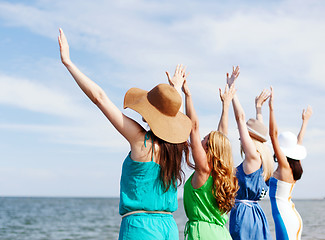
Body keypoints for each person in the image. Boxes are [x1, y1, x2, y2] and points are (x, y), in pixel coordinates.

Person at [58, 28, 192, 240]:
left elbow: (100, 98)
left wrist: (69, 63)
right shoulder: (176, 147)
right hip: (168, 227)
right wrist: (174, 90)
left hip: (140, 228)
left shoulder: (141, 141)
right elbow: (171, 116)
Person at [169, 69, 238, 240]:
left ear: (209, 149)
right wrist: (225, 106)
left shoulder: (204, 170)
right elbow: (222, 137)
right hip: (222, 235)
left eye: (205, 139)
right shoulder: (221, 176)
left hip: (203, 235)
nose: (200, 141)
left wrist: (188, 95)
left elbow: (193, 127)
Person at [228, 66, 273, 240]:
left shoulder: (252, 157)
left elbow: (240, 118)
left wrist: (232, 91)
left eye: (244, 134)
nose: (241, 138)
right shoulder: (263, 160)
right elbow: (261, 134)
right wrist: (259, 109)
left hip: (243, 215)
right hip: (257, 215)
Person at [268, 86, 312, 240]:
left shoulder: (284, 166)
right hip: (291, 215)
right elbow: (300, 140)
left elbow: (273, 135)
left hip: (284, 217)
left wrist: (271, 109)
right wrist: (305, 121)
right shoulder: (294, 164)